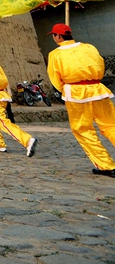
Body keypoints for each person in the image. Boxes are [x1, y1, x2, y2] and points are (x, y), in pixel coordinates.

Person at [46, 23, 115, 177]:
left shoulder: (55, 54)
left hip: (76, 93)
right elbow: (100, 64)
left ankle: (106, 165)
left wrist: (63, 89)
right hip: (98, 89)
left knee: (83, 129)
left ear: (57, 36)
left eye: (53, 36)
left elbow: (55, 77)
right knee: (111, 125)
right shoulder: (89, 47)